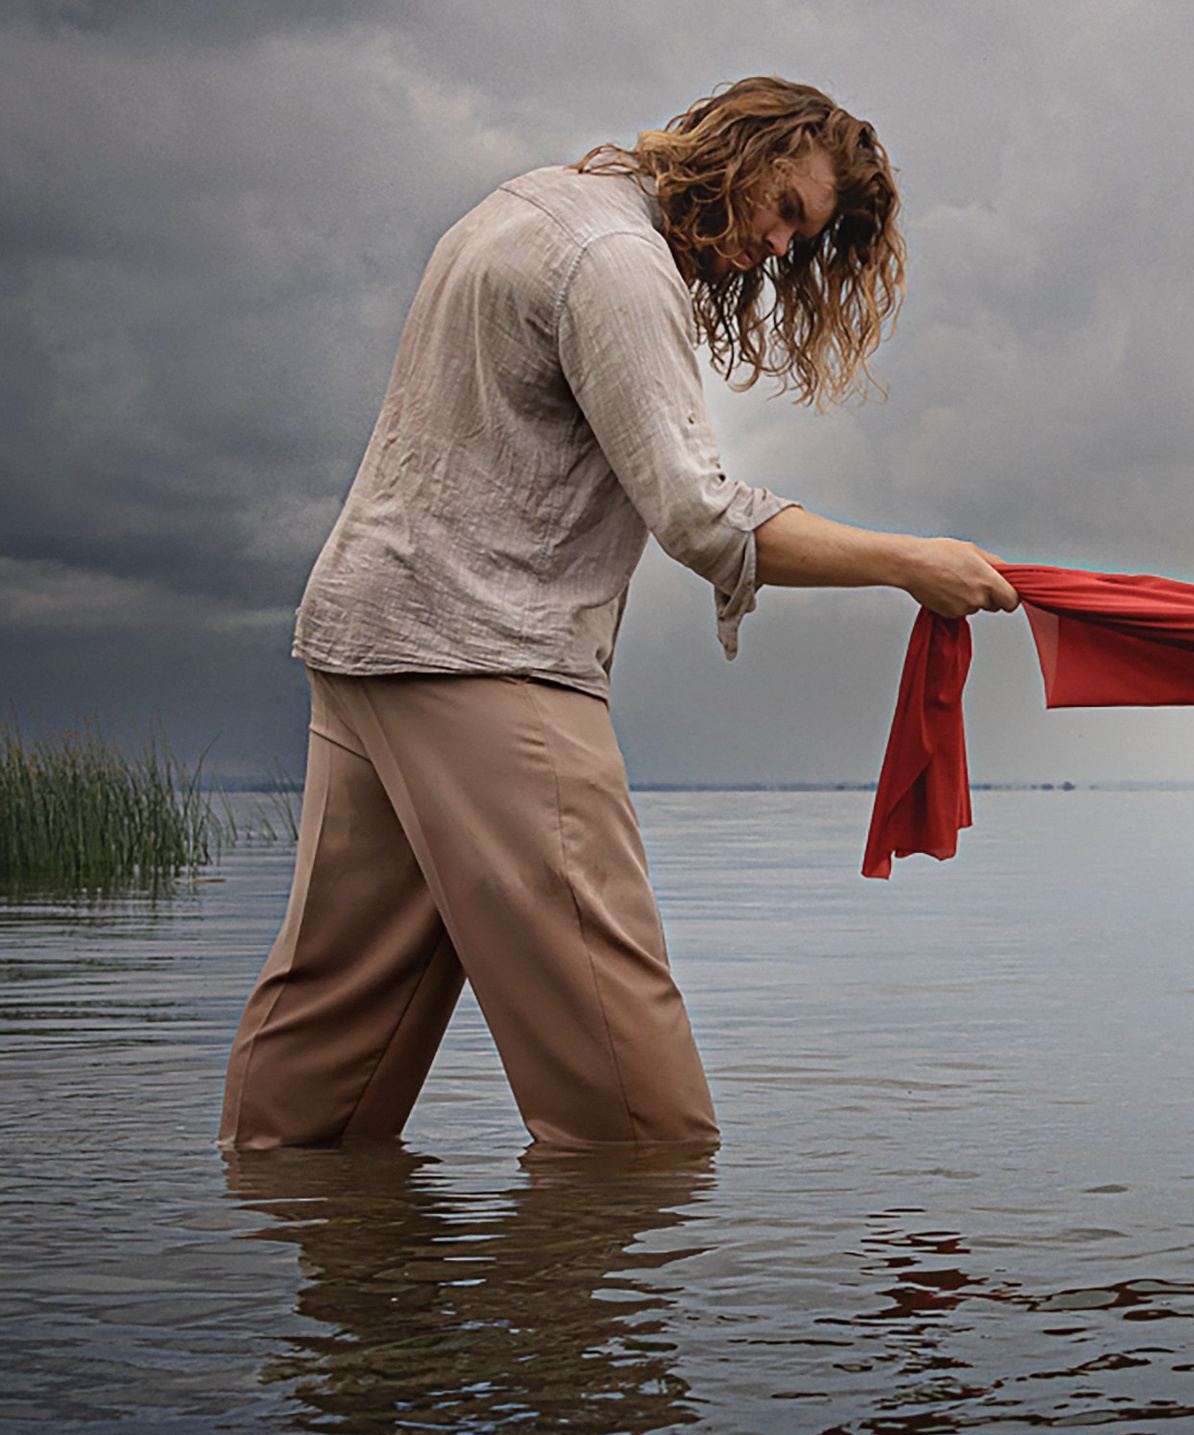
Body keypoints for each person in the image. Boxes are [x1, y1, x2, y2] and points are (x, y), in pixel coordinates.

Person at [220, 76, 1016, 1155]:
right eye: (784, 209)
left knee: (321, 1068)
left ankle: (277, 1253)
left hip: (367, 645)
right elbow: (699, 514)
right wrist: (912, 562)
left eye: (802, 236)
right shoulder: (616, 262)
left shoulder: (525, 204)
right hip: (488, 661)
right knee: (644, 1128)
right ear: (743, 151)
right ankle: (612, 1265)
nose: (779, 248)